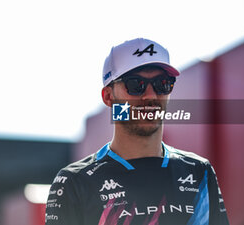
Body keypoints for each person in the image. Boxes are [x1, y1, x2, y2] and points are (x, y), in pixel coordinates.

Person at [45, 38, 229, 225]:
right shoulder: (75, 181)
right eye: (135, 84)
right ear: (109, 97)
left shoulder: (198, 171)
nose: (150, 95)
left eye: (162, 83)